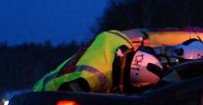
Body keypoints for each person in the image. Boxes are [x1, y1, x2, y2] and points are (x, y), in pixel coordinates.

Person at [33, 30, 163, 93]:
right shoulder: (94, 77)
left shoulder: (116, 39)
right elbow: (68, 92)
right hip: (44, 94)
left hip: (42, 86)